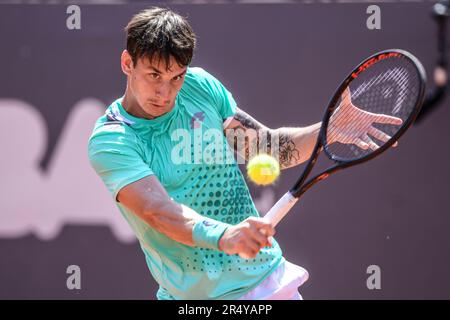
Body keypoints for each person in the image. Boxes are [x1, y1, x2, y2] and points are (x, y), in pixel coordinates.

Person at [88, 7, 399, 300]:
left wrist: (326, 130)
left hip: (265, 283)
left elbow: (266, 148)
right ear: (127, 63)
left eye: (176, 77)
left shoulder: (200, 87)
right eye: (154, 75)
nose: (165, 93)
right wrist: (226, 237)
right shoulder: (112, 140)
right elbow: (158, 212)